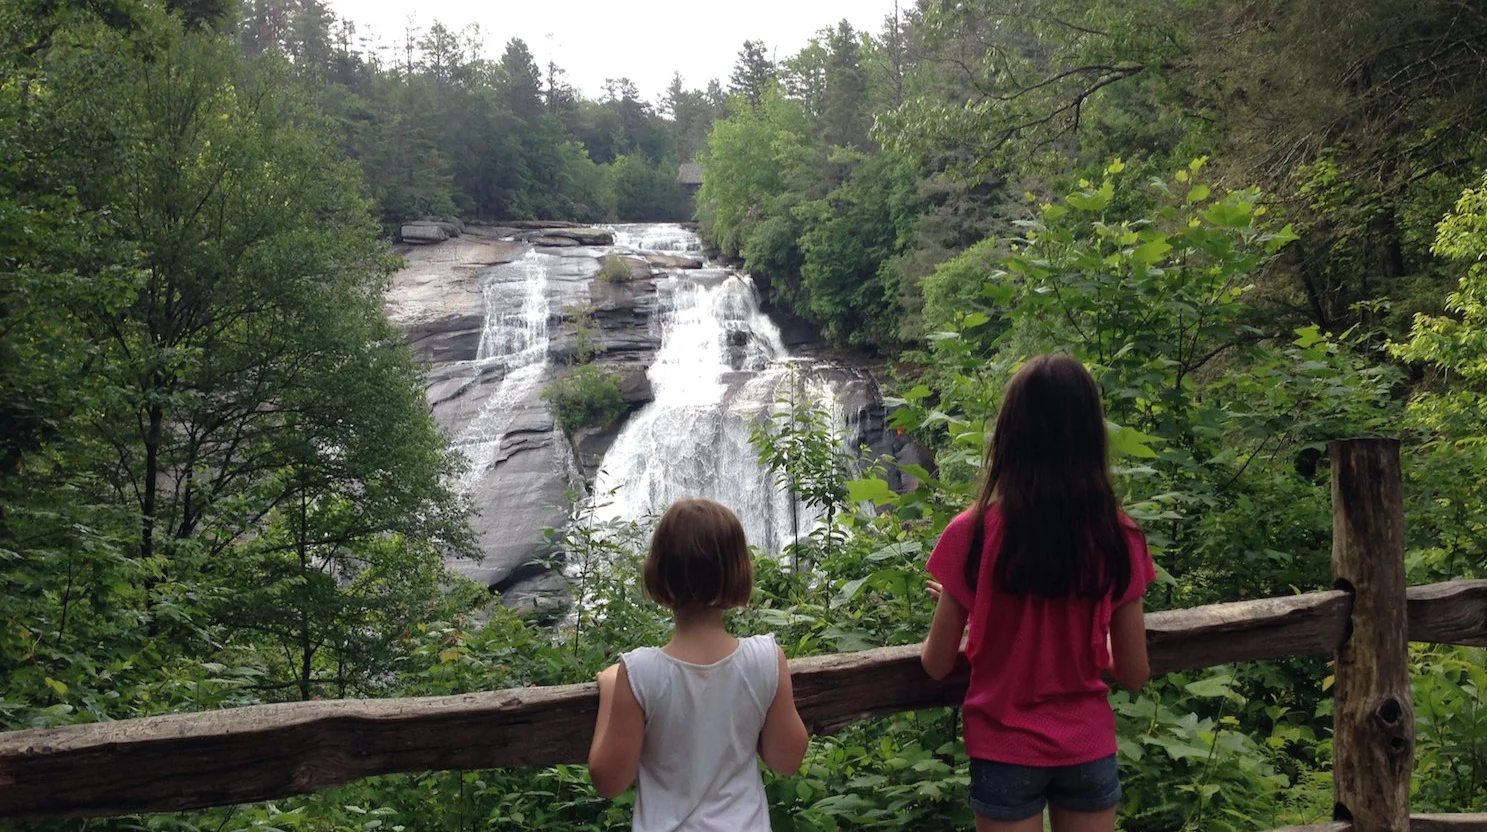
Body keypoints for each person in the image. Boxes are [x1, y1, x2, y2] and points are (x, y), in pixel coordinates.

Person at [920, 354, 1157, 832]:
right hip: (1087, 747)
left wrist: (974, 614)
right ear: (1091, 436)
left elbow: (936, 663)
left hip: (1003, 747)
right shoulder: (1119, 537)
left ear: (1010, 434)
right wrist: (1098, 639)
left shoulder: (972, 533)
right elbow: (1133, 672)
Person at [588, 497, 810, 831]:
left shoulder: (640, 673)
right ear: (739, 572)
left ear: (657, 574)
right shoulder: (766, 659)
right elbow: (787, 759)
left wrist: (611, 687)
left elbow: (609, 781)